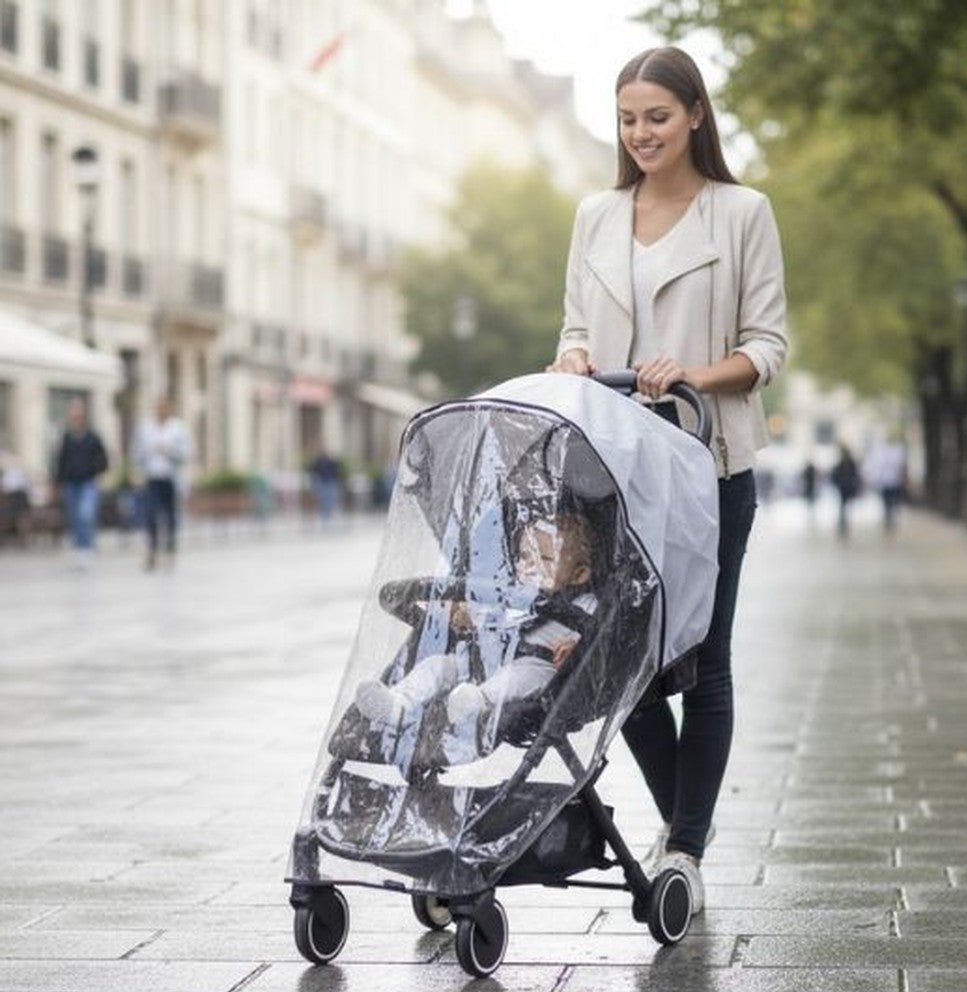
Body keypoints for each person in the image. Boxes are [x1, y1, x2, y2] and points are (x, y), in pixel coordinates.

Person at [547, 46, 788, 913]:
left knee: (703, 657)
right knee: (626, 665)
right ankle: (686, 826)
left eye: (657, 115)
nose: (641, 133)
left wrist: (691, 370)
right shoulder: (597, 216)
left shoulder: (741, 213)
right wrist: (574, 355)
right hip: (615, 467)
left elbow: (767, 347)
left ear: (694, 115)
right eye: (627, 119)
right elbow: (575, 325)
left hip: (709, 463)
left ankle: (682, 844)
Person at [350, 512, 598, 765]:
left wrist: (577, 647)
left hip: (535, 667)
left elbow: (595, 634)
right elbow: (485, 620)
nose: (529, 566)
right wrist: (465, 615)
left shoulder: (584, 603)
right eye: (524, 556)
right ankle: (398, 703)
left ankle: (480, 702)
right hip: (480, 662)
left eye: (545, 558)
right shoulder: (508, 591)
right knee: (436, 666)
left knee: (518, 675)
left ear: (578, 574)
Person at [132, 396, 191, 570]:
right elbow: (137, 452)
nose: (162, 410)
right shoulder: (146, 428)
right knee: (151, 515)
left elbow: (187, 452)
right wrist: (139, 472)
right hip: (152, 477)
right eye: (159, 407)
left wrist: (171, 451)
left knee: (170, 516)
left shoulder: (178, 428)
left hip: (171, 477)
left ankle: (170, 549)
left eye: (165, 407)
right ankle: (152, 550)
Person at [54, 399, 109, 566]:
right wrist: (57, 481)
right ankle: (78, 548)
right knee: (74, 517)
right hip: (71, 482)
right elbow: (60, 461)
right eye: (73, 414)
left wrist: (92, 469)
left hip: (88, 482)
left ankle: (87, 547)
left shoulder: (93, 437)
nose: (75, 418)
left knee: (86, 515)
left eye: (78, 414)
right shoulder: (67, 437)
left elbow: (104, 460)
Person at [865, 435, 907, 533]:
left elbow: (900, 468)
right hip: (888, 483)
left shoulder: (895, 452)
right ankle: (889, 518)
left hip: (892, 483)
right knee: (889, 502)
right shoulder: (893, 453)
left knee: (890, 502)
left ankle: (890, 518)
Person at [830, 444, 860, 540]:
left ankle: (844, 522)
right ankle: (843, 523)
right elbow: (835, 476)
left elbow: (855, 476)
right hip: (843, 488)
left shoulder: (849, 464)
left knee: (844, 506)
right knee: (843, 506)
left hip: (847, 488)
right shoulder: (842, 464)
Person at [308, 451, 342, 524]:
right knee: (326, 498)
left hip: (328, 482)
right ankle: (326, 512)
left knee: (327, 498)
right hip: (325, 482)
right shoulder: (323, 462)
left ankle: (327, 512)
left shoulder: (325, 462)